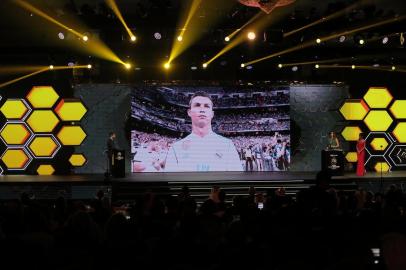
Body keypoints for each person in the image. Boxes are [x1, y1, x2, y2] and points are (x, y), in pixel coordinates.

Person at [165, 92, 243, 172]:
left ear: (212, 114)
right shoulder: (176, 148)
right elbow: (170, 182)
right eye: (197, 105)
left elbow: (236, 181)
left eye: (206, 106)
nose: (202, 110)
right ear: (189, 112)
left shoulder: (227, 146)